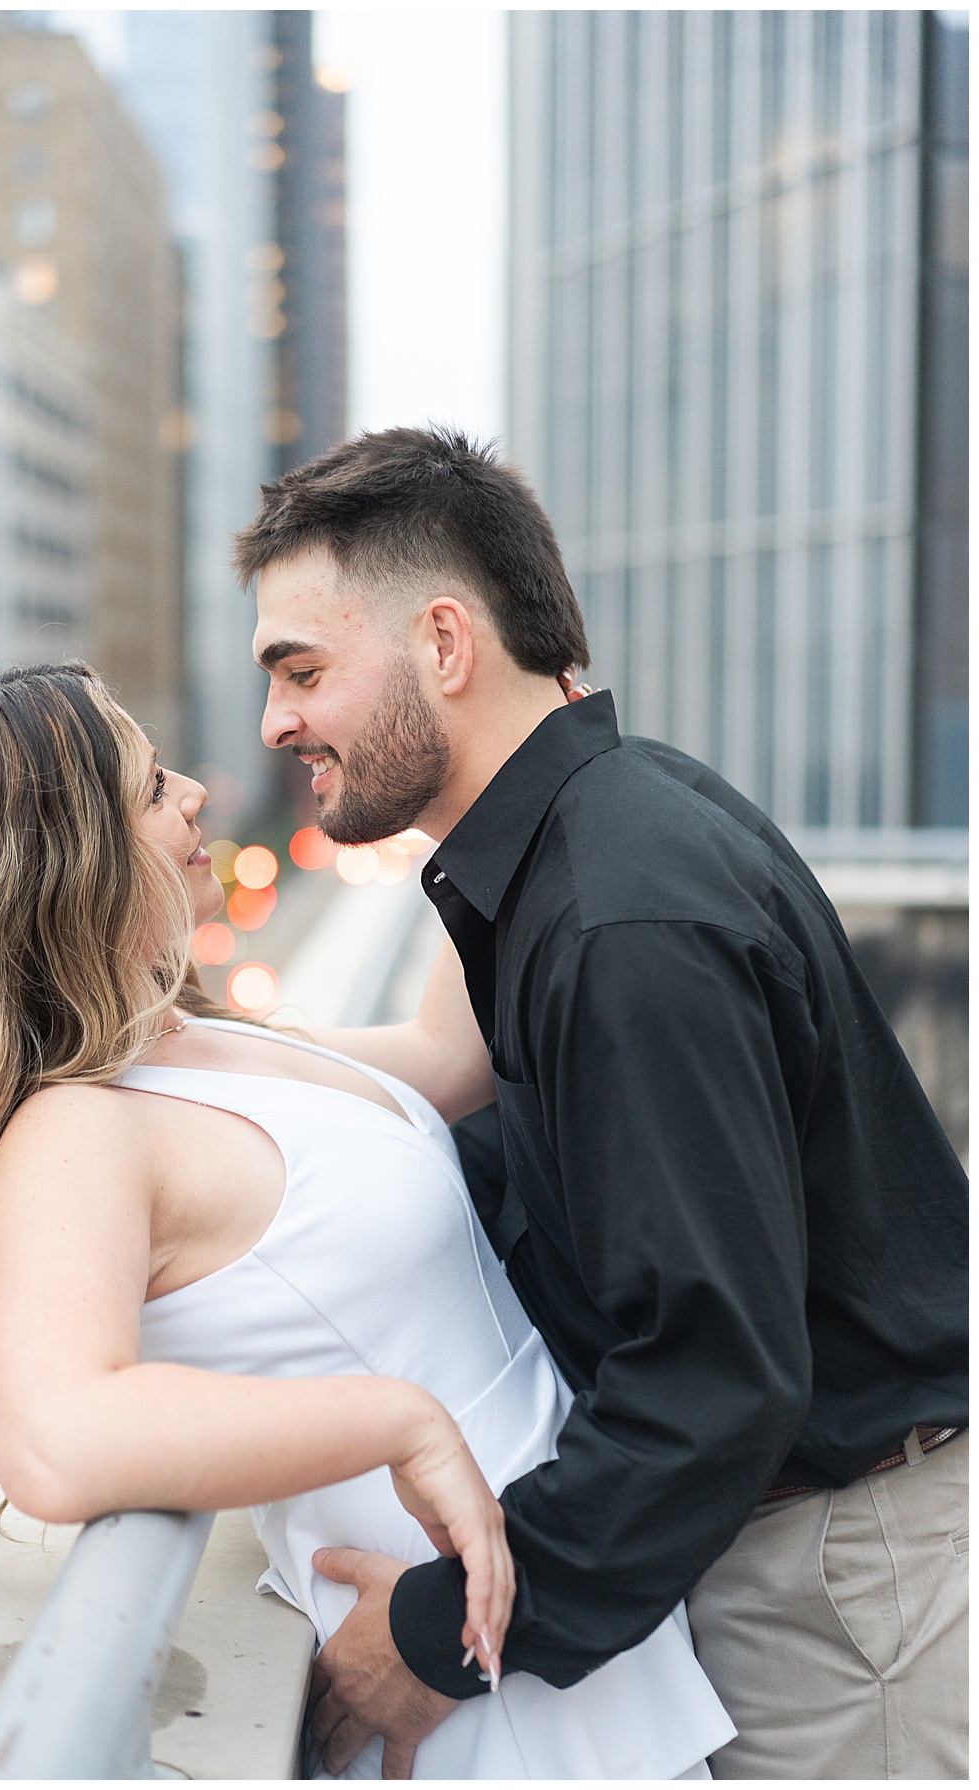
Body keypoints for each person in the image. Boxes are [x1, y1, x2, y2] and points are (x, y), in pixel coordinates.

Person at [0, 662, 733, 1781]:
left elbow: (451, 1058)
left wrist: (505, 731)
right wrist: (397, 1420)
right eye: (151, 784)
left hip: (543, 1615)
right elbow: (52, 1440)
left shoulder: (185, 1043)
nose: (197, 795)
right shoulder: (77, 1129)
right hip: (472, 1705)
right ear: (67, 857)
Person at [234, 425, 969, 1780]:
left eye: (303, 668)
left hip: (831, 1584)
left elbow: (717, 1371)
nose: (279, 719)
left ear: (445, 644)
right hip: (789, 1551)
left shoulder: (620, 918)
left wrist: (442, 1631)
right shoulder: (588, 840)